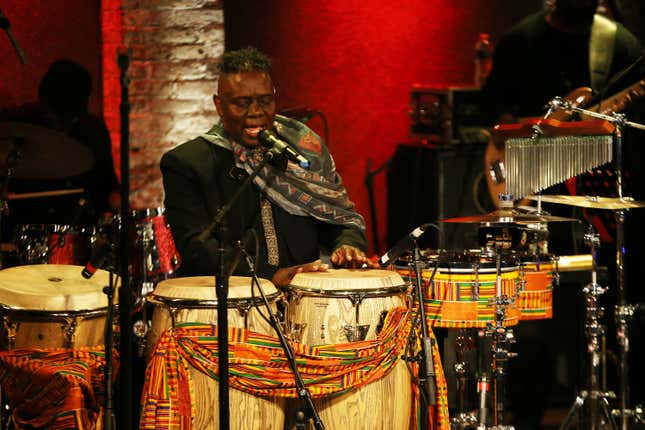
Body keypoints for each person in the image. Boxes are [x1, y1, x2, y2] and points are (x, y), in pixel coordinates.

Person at [480, 1, 644, 428]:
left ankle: (595, 406)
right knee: (533, 320)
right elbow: (495, 118)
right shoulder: (521, 41)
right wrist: (538, 143)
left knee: (596, 311)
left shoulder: (619, 43)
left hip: (597, 204)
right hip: (535, 200)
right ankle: (527, 417)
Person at [160, 47, 374, 287]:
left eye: (265, 101)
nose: (256, 113)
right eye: (242, 104)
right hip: (234, 303)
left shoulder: (303, 150)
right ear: (219, 106)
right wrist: (269, 276)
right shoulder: (188, 163)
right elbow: (197, 249)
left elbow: (340, 219)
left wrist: (347, 244)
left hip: (306, 299)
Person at [0, 60, 120, 227]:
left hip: (80, 230)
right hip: (27, 225)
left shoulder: (93, 131)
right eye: (52, 113)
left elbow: (106, 185)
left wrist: (116, 199)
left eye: (67, 118)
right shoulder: (21, 125)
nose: (58, 122)